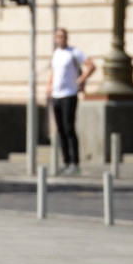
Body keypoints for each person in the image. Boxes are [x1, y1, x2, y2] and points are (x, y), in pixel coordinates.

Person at [46, 28, 95, 176]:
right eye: (58, 36)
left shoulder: (74, 52)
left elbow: (91, 65)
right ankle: (66, 161)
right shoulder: (56, 54)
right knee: (60, 129)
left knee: (69, 128)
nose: (60, 38)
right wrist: (49, 85)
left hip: (69, 94)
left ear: (66, 38)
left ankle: (75, 162)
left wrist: (81, 80)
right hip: (56, 95)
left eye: (62, 36)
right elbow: (54, 72)